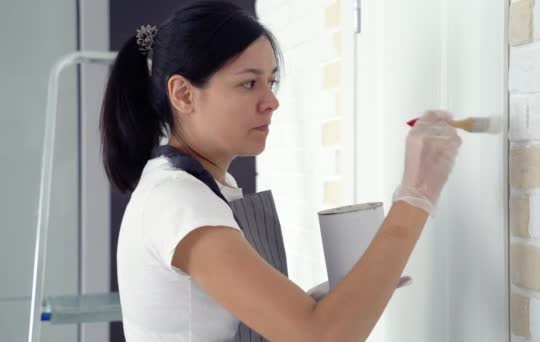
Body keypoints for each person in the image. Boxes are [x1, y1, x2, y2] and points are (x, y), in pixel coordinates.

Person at [100, 1, 462, 341]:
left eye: (270, 82)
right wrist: (417, 194)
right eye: (248, 83)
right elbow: (319, 336)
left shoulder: (201, 188)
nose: (271, 101)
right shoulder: (178, 200)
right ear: (183, 94)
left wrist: (321, 301)